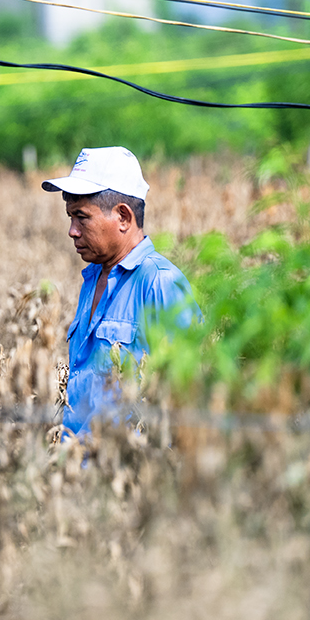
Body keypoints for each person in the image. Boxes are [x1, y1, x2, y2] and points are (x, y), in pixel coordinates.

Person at [41, 146, 195, 439]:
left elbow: (189, 399)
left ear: (123, 217)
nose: (72, 231)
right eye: (70, 218)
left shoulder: (160, 283)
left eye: (82, 217)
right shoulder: (94, 277)